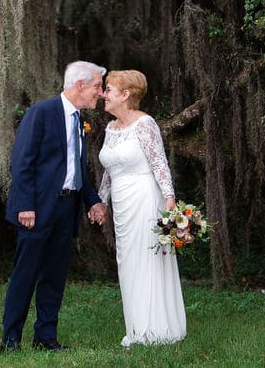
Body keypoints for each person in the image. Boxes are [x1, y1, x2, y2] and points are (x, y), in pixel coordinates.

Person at [0, 61, 109, 353]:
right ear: (80, 85)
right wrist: (25, 205)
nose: (100, 93)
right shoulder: (42, 112)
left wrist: (93, 200)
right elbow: (22, 161)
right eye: (98, 86)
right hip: (35, 209)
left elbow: (76, 170)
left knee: (54, 276)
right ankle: (10, 339)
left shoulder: (79, 121)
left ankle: (45, 337)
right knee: (26, 274)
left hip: (66, 209)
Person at [98, 69, 186, 346]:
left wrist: (169, 198)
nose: (103, 95)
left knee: (149, 260)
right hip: (122, 202)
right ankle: (136, 329)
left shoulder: (145, 124)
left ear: (125, 95)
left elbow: (159, 162)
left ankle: (158, 330)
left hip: (146, 197)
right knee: (128, 262)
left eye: (109, 90)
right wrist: (102, 201)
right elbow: (109, 171)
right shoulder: (111, 129)